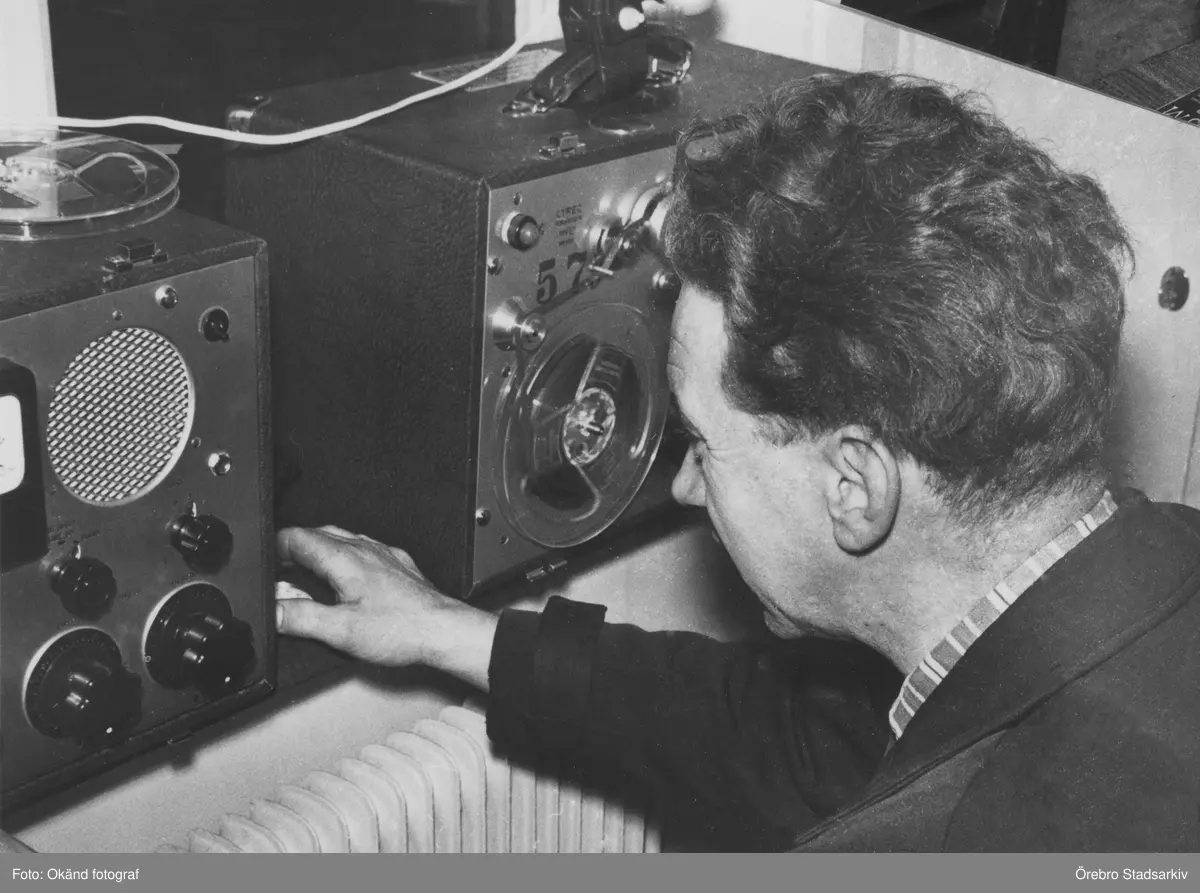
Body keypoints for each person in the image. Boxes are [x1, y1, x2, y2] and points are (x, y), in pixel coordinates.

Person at [274, 71, 1200, 851]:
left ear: (855, 488)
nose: (683, 484)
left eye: (702, 445)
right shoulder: (1142, 577)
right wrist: (445, 629)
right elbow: (805, 741)